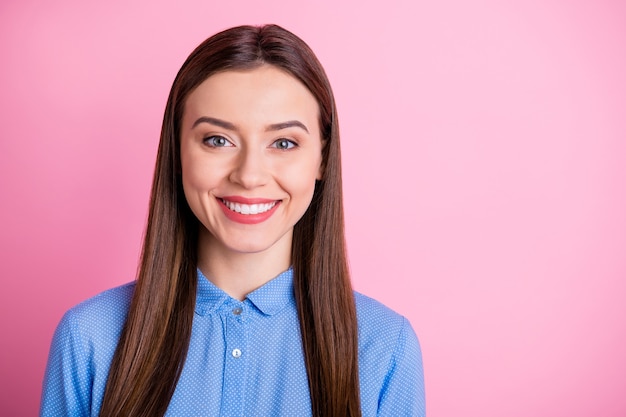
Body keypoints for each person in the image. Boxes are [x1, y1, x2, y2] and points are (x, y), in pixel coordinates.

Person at [40, 24, 425, 417]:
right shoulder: (90, 337)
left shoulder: (384, 348)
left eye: (284, 142)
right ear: (178, 152)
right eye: (218, 140)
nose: (249, 175)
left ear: (322, 159)